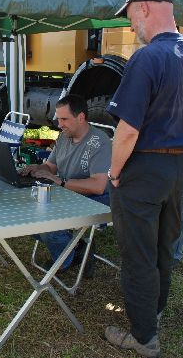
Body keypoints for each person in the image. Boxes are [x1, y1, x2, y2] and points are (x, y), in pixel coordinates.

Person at [104, 0, 183, 357]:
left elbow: (127, 131)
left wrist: (115, 173)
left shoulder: (147, 58)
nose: (131, 25)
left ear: (145, 8)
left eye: (131, 15)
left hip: (144, 168)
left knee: (138, 256)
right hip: (181, 166)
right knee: (164, 249)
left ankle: (143, 337)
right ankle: (154, 313)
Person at [20, 94, 111, 273]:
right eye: (58, 118)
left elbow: (98, 186)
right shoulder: (63, 137)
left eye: (64, 119)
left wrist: (61, 182)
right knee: (25, 217)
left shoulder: (99, 141)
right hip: (69, 193)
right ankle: (76, 247)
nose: (59, 124)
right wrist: (35, 168)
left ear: (81, 117)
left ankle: (66, 259)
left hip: (97, 200)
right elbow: (50, 167)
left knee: (49, 224)